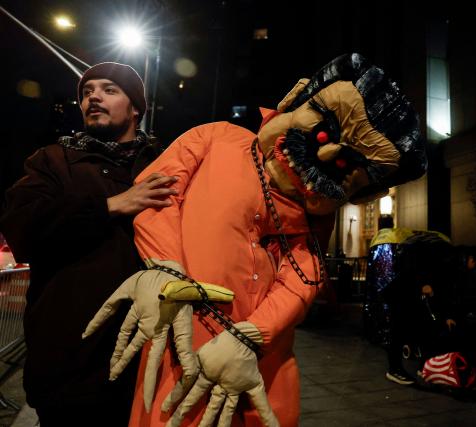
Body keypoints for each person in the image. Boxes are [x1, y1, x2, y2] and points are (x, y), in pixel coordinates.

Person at [82, 53, 428, 426]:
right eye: (327, 127)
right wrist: (166, 271)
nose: (327, 152)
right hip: (182, 343)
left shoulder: (317, 213)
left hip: (261, 363)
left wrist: (254, 335)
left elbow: (305, 275)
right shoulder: (216, 138)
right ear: (295, 99)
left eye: (349, 164)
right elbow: (157, 198)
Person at [0, 62, 171, 426]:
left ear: (136, 107)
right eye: (87, 91)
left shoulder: (165, 165)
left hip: (151, 362)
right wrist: (110, 206)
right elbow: (21, 228)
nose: (93, 96)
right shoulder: (53, 160)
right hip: (72, 363)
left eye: (109, 89)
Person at [384, 231, 476, 386]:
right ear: (470, 258)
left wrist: (447, 315)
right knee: (399, 327)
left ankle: (424, 366)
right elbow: (419, 268)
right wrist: (422, 284)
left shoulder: (453, 260)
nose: (474, 269)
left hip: (413, 289)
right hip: (404, 290)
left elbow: (444, 292)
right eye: (475, 265)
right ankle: (394, 369)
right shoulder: (447, 256)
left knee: (424, 326)